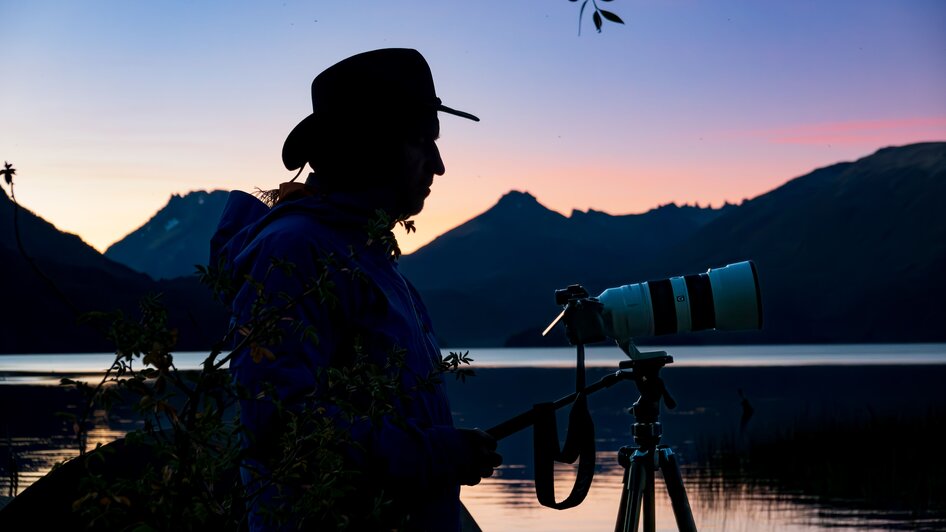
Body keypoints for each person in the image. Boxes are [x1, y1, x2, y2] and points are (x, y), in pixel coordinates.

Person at [209, 48, 501, 531]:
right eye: (425, 142)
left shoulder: (365, 257)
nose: (440, 165)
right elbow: (278, 429)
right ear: (374, 145)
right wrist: (434, 452)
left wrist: (446, 454)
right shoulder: (296, 250)